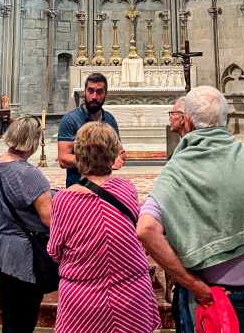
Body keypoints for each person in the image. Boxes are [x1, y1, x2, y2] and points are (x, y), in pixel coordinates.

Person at [137, 86, 244, 333]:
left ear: (188, 121)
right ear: (225, 119)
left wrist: (192, 284)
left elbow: (146, 229)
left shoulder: (179, 170)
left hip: (216, 299)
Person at [48, 123, 160, 333]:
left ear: (79, 154)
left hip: (85, 298)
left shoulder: (64, 200)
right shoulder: (126, 188)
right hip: (131, 295)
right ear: (113, 154)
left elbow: (54, 250)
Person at [0, 116, 53, 333]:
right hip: (22, 254)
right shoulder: (30, 174)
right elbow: (49, 219)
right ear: (33, 142)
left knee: (10, 316)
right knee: (24, 319)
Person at [57, 73, 125, 186]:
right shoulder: (70, 120)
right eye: (90, 91)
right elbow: (63, 159)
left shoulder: (109, 119)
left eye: (99, 92)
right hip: (78, 185)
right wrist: (101, 162)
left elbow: (120, 151)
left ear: (105, 94)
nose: (94, 96)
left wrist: (120, 157)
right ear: (84, 91)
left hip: (105, 185)